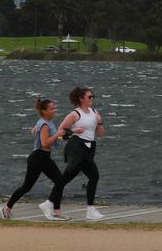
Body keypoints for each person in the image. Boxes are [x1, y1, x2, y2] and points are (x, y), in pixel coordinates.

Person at [38, 86, 105, 221]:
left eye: (93, 96)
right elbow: (61, 131)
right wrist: (74, 131)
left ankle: (48, 203)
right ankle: (90, 209)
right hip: (76, 147)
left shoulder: (94, 112)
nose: (92, 99)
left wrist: (99, 121)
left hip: (89, 147)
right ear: (81, 99)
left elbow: (100, 133)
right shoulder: (75, 114)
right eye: (89, 97)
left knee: (66, 178)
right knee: (94, 175)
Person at [0, 97, 64, 219]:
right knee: (27, 187)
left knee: (60, 181)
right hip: (38, 158)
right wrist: (57, 134)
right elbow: (45, 143)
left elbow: (35, 131)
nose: (55, 110)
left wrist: (66, 134)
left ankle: (56, 210)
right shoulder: (45, 124)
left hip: (44, 157)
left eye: (55, 108)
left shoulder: (44, 122)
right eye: (52, 108)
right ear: (44, 111)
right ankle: (6, 208)